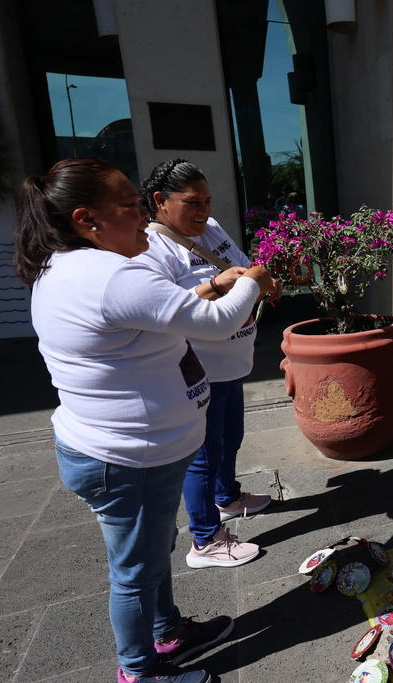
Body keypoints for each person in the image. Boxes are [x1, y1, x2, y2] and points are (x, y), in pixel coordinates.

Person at [14, 158, 278, 683]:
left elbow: (161, 315)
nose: (143, 220)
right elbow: (219, 321)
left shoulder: (67, 265)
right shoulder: (112, 274)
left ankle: (168, 631)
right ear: (88, 219)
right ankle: (139, 671)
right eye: (132, 208)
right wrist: (255, 278)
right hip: (124, 456)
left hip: (124, 450)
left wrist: (206, 288)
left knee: (154, 552)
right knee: (134, 571)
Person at [137, 159, 272, 569]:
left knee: (230, 439)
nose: (204, 211)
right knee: (203, 454)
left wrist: (257, 281)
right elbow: (163, 311)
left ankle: (227, 497)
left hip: (232, 362)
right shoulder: (152, 247)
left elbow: (242, 267)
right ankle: (205, 539)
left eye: (208, 200)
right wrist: (217, 285)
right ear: (160, 201)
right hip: (198, 370)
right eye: (192, 202)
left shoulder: (209, 231)